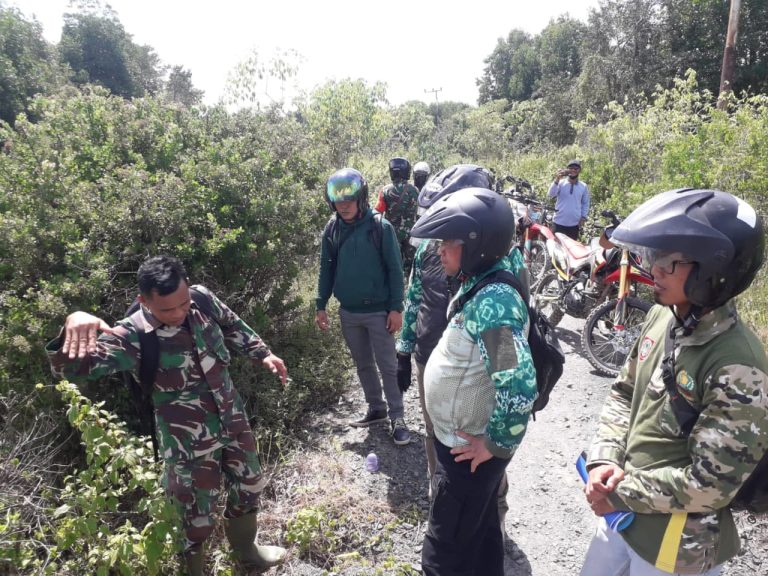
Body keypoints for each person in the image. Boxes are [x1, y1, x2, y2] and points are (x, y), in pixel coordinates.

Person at [45, 255, 288, 575]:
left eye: (183, 304)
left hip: (233, 419)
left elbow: (231, 325)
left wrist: (264, 354)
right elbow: (72, 369)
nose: (178, 313)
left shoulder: (201, 298)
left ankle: (247, 552)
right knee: (194, 516)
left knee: (250, 483)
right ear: (143, 301)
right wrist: (71, 323)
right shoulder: (131, 334)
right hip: (186, 443)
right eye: (167, 309)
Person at [580, 188, 767, 576]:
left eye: (670, 261)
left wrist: (619, 492)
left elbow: (709, 485)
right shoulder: (663, 316)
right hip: (621, 518)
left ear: (714, 271)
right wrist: (604, 459)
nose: (655, 270)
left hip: (675, 549)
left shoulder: (738, 365)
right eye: (654, 256)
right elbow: (624, 390)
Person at [409, 187, 537, 576]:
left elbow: (518, 385)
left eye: (450, 241)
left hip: (467, 455)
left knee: (443, 552)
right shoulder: (479, 281)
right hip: (464, 447)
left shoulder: (494, 303)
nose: (441, 250)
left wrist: (494, 444)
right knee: (480, 535)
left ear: (478, 245)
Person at [316, 168, 410, 445]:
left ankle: (398, 416)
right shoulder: (332, 229)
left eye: (349, 200)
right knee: (363, 364)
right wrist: (320, 304)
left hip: (380, 311)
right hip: (349, 311)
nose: (343, 206)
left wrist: (396, 307)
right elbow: (326, 270)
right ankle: (376, 408)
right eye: (338, 201)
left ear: (362, 198)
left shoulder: (381, 227)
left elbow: (395, 270)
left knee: (388, 365)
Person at [375, 157, 420, 275]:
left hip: (391, 235)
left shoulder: (385, 191)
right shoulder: (414, 190)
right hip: (411, 235)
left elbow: (377, 213)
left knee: (392, 267)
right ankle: (407, 289)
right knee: (410, 269)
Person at [547, 159, 590, 240]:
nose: (573, 170)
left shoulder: (583, 186)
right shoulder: (560, 183)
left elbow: (585, 203)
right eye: (571, 168)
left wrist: (583, 217)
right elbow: (550, 194)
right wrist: (557, 179)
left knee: (570, 250)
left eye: (576, 168)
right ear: (567, 170)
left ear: (579, 170)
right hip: (558, 222)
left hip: (574, 225)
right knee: (556, 249)